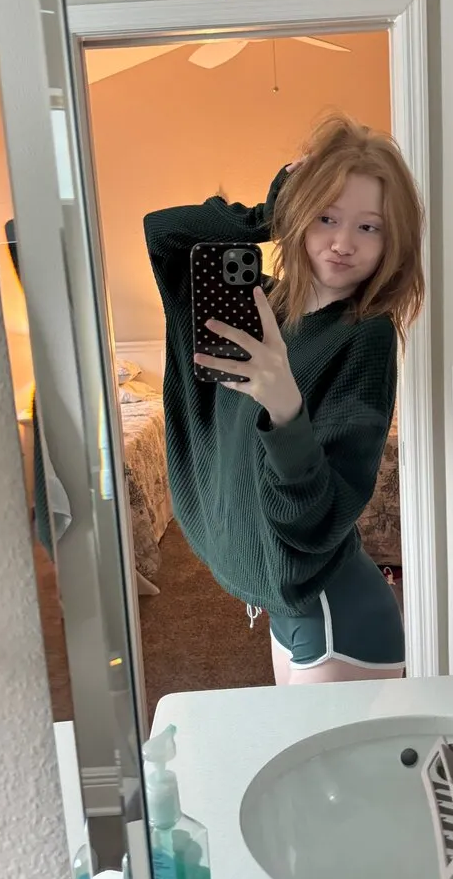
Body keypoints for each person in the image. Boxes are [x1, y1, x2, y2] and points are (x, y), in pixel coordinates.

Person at [144, 112, 424, 686]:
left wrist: (285, 409)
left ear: (393, 239)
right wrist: (269, 213)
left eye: (369, 227)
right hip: (288, 606)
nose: (343, 243)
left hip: (339, 617)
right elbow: (164, 233)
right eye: (326, 217)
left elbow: (320, 517)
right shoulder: (258, 305)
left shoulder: (364, 335)